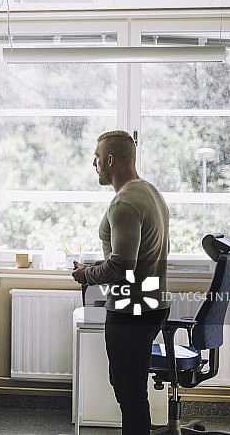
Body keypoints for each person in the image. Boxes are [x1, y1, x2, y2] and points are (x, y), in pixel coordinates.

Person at [72, 130, 170, 435]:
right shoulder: (150, 192)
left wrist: (86, 275)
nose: (94, 163)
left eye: (97, 158)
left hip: (131, 309)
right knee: (131, 387)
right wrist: (98, 265)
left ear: (110, 160)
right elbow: (135, 257)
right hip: (153, 302)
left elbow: (122, 266)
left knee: (129, 392)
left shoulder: (123, 204)